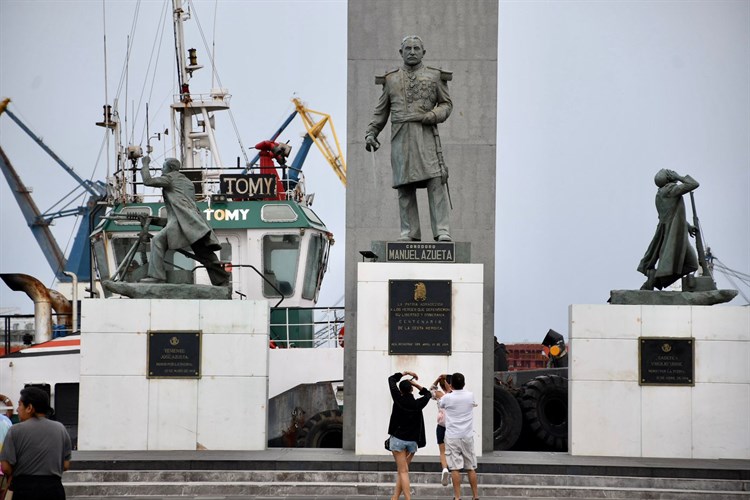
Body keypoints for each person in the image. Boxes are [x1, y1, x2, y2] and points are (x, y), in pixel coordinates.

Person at [366, 35, 453, 242]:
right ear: (401, 52)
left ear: (424, 52)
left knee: (435, 182)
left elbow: (447, 104)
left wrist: (432, 115)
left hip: (426, 136)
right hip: (401, 138)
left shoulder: (434, 76)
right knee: (404, 187)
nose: (412, 52)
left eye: (416, 48)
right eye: (408, 48)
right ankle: (409, 232)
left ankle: (442, 230)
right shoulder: (391, 79)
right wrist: (371, 133)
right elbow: (381, 111)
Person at [140, 155, 229, 286]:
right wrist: (153, 221)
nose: (161, 170)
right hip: (192, 224)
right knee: (205, 254)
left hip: (181, 224)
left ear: (170, 168)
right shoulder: (187, 182)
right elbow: (179, 213)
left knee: (158, 241)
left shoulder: (170, 178)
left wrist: (145, 164)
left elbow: (147, 181)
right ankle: (221, 280)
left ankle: (157, 276)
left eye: (163, 167)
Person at [0, 387, 72, 500]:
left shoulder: (15, 430)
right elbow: (66, 465)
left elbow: (5, 467)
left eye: (19, 405)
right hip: (54, 490)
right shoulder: (61, 429)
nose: (17, 410)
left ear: (29, 408)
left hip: (24, 489)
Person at [637, 169, 700, 290]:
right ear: (669, 178)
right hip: (675, 235)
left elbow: (670, 214)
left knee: (691, 264)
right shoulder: (671, 190)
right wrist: (680, 177)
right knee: (692, 264)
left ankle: (654, 280)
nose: (673, 172)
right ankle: (655, 279)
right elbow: (694, 184)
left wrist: (687, 226)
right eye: (670, 172)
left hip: (675, 232)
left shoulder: (660, 193)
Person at [387, 370, 431, 500]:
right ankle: (395, 497)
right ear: (411, 389)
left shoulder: (398, 398)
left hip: (398, 440)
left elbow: (391, 379)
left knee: (403, 471)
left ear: (401, 390)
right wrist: (416, 384)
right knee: (403, 470)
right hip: (412, 441)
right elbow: (428, 394)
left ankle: (408, 498)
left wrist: (405, 373)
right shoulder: (418, 403)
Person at [438, 372, 478, 500]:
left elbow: (442, 403)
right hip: (467, 436)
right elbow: (464, 393)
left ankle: (457, 497)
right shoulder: (470, 396)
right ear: (464, 383)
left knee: (455, 468)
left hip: (452, 436)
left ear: (451, 384)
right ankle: (475, 496)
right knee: (470, 467)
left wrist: (446, 384)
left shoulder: (448, 398)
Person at [429, 374, 452, 487]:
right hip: (453, 427)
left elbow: (431, 390)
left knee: (442, 451)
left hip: (441, 426)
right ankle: (453, 470)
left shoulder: (439, 395)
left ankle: (444, 469)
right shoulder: (454, 396)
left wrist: (438, 379)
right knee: (453, 450)